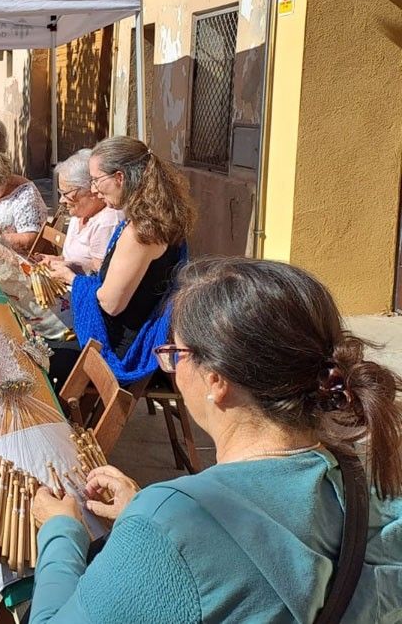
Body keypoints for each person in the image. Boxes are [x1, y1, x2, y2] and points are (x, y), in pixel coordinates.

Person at [27, 256, 402, 623]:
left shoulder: (168, 523)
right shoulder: (362, 480)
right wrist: (146, 514)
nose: (170, 367)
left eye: (174, 353)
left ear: (216, 381)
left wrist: (63, 530)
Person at [45, 136, 196, 389]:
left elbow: (111, 303)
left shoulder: (140, 233)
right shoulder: (159, 218)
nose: (93, 190)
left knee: (40, 357)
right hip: (134, 334)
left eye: (96, 180)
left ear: (120, 177)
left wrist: (73, 279)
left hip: (124, 351)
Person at [41, 149, 124, 274]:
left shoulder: (108, 221)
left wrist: (66, 268)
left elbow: (100, 274)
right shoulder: (78, 215)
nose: (62, 200)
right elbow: (71, 259)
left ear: (91, 189)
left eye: (67, 193)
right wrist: (54, 260)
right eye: (60, 193)